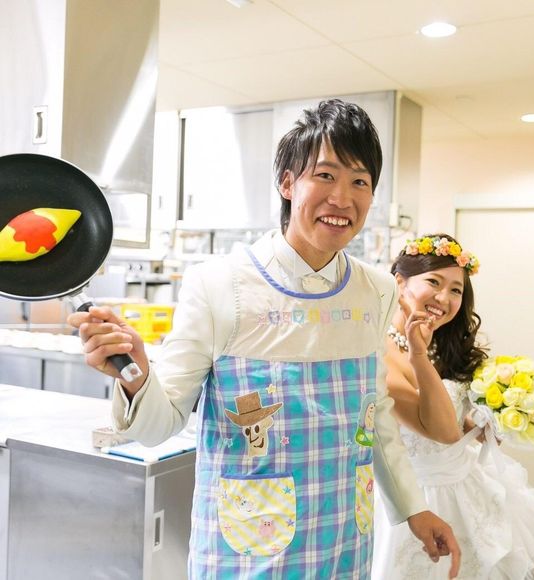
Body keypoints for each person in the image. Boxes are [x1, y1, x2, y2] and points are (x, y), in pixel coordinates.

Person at [69, 100, 460, 579]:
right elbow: (159, 424)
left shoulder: (376, 290)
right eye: (325, 175)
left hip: (344, 540)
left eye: (360, 182)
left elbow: (374, 417)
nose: (342, 198)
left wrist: (413, 508)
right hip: (246, 551)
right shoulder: (220, 285)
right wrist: (136, 375)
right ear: (287, 183)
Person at [372, 234, 534, 579]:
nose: (444, 298)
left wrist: (479, 423)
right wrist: (418, 356)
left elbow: (450, 423)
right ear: (399, 283)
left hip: (468, 483)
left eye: (456, 290)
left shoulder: (439, 342)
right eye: (434, 282)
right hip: (421, 498)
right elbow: (440, 432)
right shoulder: (380, 353)